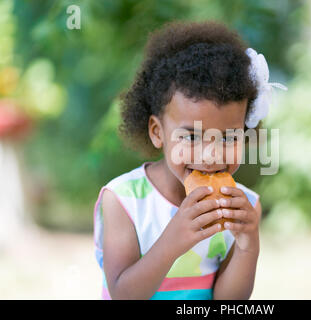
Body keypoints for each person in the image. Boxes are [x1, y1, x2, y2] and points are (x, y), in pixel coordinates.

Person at [93, 20, 286, 300]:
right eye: (192, 137)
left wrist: (248, 245)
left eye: (228, 137)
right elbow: (124, 295)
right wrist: (174, 240)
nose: (211, 155)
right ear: (158, 132)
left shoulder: (243, 207)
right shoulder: (124, 201)